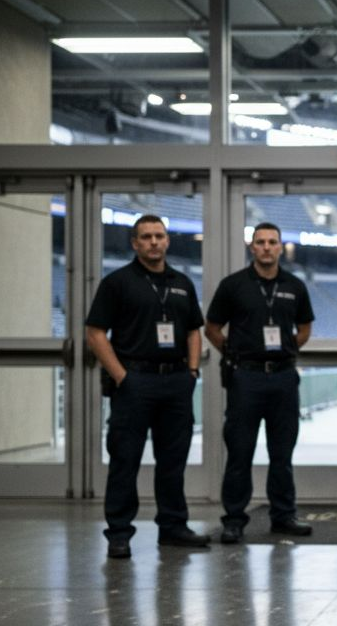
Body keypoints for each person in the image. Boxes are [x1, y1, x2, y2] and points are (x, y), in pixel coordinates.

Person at [85, 214, 208, 559]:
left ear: (167, 241)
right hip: (134, 382)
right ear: (135, 243)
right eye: (146, 237)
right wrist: (122, 376)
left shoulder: (182, 283)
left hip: (176, 381)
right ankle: (119, 533)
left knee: (173, 460)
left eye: (159, 236)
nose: (154, 242)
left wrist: (192, 372)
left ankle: (173, 526)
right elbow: (95, 332)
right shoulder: (117, 283)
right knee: (125, 459)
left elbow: (193, 330)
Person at [204, 222, 316, 544]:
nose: (266, 247)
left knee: (282, 453)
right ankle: (233, 520)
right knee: (240, 452)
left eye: (272, 242)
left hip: (283, 376)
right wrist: (235, 353)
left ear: (280, 247)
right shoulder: (233, 285)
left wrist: (287, 349)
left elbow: (304, 329)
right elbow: (212, 328)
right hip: (246, 377)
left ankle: (283, 516)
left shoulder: (295, 285)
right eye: (261, 242)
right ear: (252, 247)